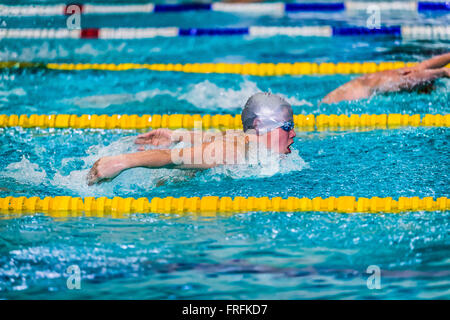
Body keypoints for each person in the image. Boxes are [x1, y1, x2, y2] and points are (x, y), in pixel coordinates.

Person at [87, 92, 296, 185]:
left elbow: (217, 137)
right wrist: (121, 161)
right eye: (287, 127)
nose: (293, 134)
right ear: (261, 127)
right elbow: (173, 157)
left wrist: (177, 135)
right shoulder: (235, 151)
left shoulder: (246, 141)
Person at [321, 52, 450, 104]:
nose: (431, 89)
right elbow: (408, 81)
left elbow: (425, 65)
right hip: (329, 106)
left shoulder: (402, 72)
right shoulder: (389, 79)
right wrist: (443, 72)